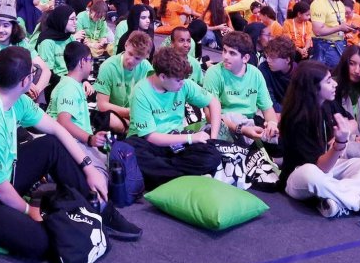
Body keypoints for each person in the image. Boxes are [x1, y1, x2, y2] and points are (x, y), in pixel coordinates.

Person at [0, 46, 132, 260]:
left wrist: (88, 166)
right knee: (39, 244)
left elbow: (57, 128)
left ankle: (102, 209)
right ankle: (67, 216)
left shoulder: (13, 98)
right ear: (24, 82)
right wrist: (26, 210)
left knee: (51, 145)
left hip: (3, 174)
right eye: (33, 73)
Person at [280, 60, 360, 218]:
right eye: (328, 81)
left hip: (330, 168)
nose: (334, 84)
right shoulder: (296, 119)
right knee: (311, 173)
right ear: (313, 88)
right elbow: (320, 168)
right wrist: (340, 143)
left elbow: (352, 122)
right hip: (300, 178)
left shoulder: (327, 103)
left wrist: (346, 132)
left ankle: (335, 199)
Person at [126, 45, 223, 186]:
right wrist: (191, 138)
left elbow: (214, 103)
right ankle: (188, 176)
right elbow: (151, 137)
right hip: (149, 143)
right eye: (178, 80)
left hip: (177, 140)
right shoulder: (141, 92)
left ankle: (171, 176)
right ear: (163, 77)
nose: (182, 83)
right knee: (132, 150)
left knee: (212, 155)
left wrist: (213, 139)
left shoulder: (184, 84)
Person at [203, 30, 278, 143]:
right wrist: (240, 129)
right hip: (223, 123)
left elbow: (267, 109)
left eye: (232, 53)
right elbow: (210, 116)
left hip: (249, 121)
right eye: (224, 51)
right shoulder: (213, 73)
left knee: (280, 141)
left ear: (245, 58)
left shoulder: (255, 74)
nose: (225, 57)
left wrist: (272, 124)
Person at [94, 30, 153, 135]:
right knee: (108, 119)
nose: (131, 60)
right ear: (126, 45)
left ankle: (130, 129)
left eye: (137, 58)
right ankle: (134, 130)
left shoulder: (147, 67)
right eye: (130, 54)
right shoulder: (108, 66)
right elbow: (102, 105)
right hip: (114, 113)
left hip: (135, 115)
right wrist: (130, 112)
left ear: (145, 57)